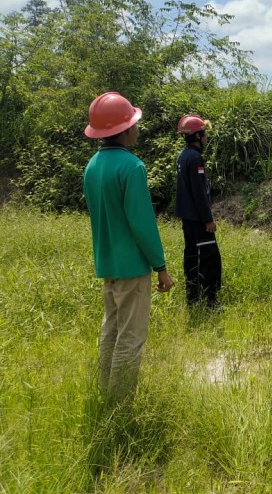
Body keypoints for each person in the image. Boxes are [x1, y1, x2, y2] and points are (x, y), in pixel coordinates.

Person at [83, 91, 175, 402]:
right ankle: (119, 405)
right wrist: (161, 268)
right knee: (131, 337)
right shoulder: (132, 167)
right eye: (134, 123)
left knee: (111, 330)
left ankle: (104, 391)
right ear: (122, 130)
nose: (137, 128)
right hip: (133, 267)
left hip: (107, 265)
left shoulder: (93, 165)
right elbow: (141, 223)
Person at [175, 114, 222, 308]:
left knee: (192, 257)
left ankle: (193, 298)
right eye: (204, 135)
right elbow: (199, 193)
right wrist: (208, 219)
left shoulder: (183, 156)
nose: (206, 138)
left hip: (188, 218)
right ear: (197, 137)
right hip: (198, 220)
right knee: (210, 259)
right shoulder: (196, 159)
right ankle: (210, 301)